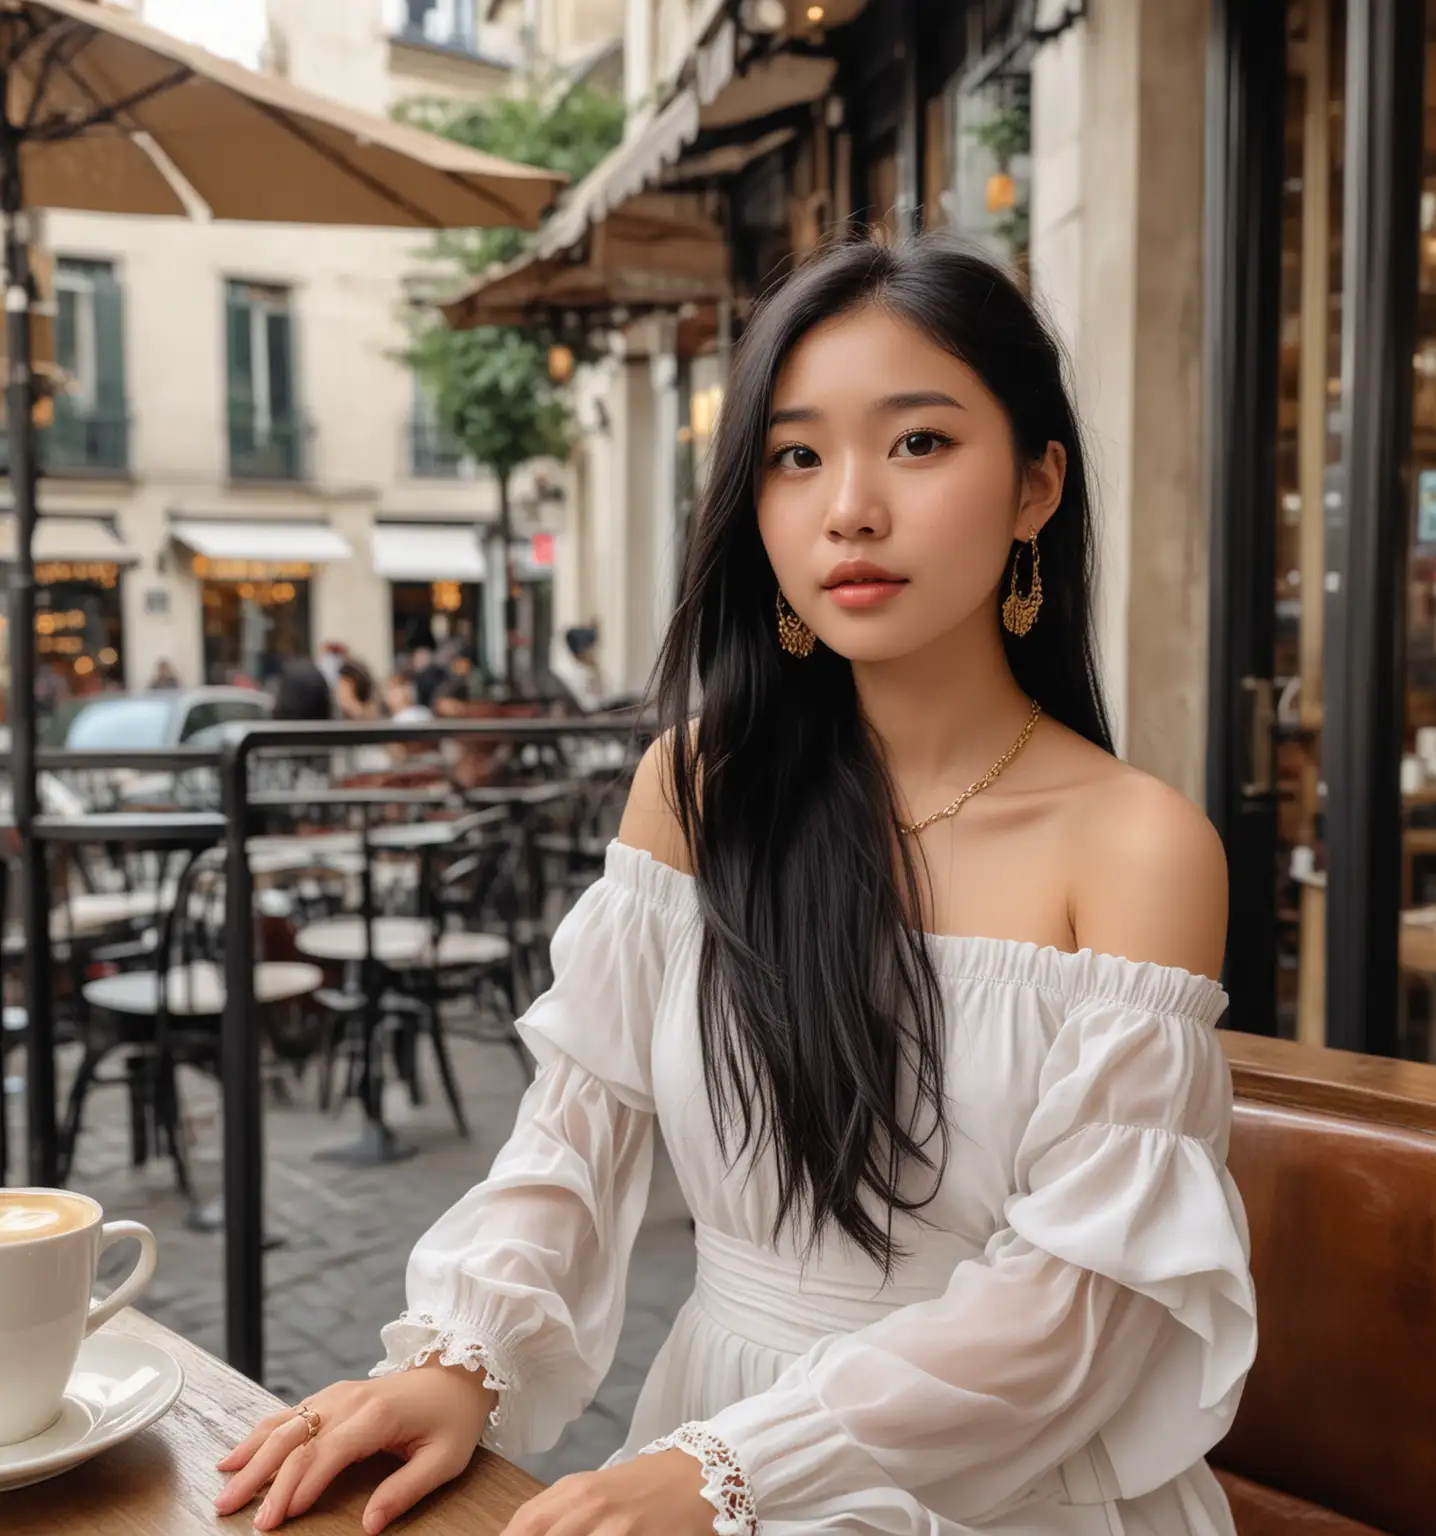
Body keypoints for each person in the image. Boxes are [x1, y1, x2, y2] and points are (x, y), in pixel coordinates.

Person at [215, 237, 1253, 1536]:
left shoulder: (1139, 848)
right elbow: (575, 1134)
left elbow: (1073, 1315)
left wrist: (731, 1473)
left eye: (919, 444)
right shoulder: (700, 788)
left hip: (1003, 1487)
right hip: (709, 1429)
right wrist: (455, 1356)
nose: (850, 509)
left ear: (1037, 484)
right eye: (795, 455)